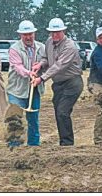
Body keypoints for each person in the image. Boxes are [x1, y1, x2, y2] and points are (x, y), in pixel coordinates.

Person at [31, 18, 84, 146]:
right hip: (58, 84)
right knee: (59, 113)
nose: (55, 35)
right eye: (52, 32)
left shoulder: (70, 46)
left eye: (58, 32)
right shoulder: (49, 42)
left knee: (62, 111)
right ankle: (64, 141)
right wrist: (40, 65)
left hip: (72, 83)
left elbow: (59, 66)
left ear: (63, 31)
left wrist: (42, 78)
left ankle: (67, 144)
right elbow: (46, 58)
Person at [7, 20, 45, 146]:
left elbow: (46, 62)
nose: (28, 37)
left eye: (30, 34)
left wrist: (41, 67)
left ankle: (33, 146)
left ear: (34, 33)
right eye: (25, 35)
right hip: (17, 89)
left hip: (35, 89)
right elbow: (17, 67)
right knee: (15, 118)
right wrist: (29, 73)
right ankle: (14, 145)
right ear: (20, 35)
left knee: (33, 119)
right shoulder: (14, 49)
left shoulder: (41, 47)